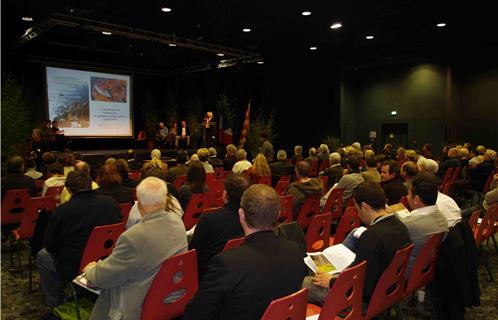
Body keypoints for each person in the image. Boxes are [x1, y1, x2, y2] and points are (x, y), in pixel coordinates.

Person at [184, 184, 308, 319]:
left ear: (241, 214)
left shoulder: (226, 263)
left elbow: (196, 314)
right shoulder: (295, 250)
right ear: (278, 214)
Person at [84, 177, 188, 320]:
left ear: (138, 202)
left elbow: (104, 278)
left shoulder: (133, 237)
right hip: (171, 294)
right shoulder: (177, 222)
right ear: (165, 198)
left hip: (138, 303)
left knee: (102, 284)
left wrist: (91, 270)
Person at [304, 181, 411, 309]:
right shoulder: (401, 227)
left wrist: (332, 281)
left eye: (356, 208)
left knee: (302, 284)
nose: (357, 213)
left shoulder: (372, 236)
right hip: (387, 290)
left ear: (364, 206)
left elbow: (362, 286)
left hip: (361, 299)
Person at [37, 170, 122, 313]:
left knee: (43, 256)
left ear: (69, 190)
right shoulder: (111, 203)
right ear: (91, 185)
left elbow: (50, 245)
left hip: (75, 265)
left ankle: (55, 303)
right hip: (106, 259)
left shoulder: (62, 211)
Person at [189, 173, 251, 279]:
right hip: (241, 272)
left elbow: (193, 252)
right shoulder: (252, 219)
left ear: (225, 194)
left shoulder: (209, 219)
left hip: (209, 276)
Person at [398, 172, 449, 273]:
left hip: (406, 272)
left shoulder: (408, 225)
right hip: (427, 267)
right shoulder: (443, 218)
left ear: (416, 199)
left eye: (408, 194)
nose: (407, 197)